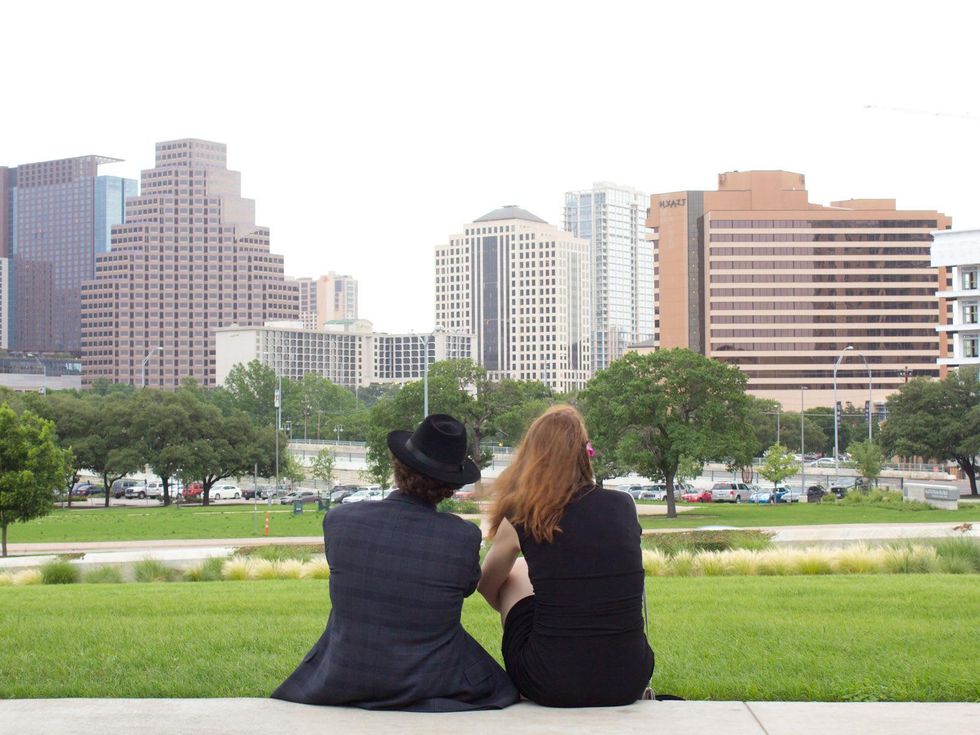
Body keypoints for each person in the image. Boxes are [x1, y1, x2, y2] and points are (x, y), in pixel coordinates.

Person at [272, 414, 519, 711]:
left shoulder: (340, 520)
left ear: (398, 466)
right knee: (500, 685)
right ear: (450, 486)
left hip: (344, 671)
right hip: (432, 677)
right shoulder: (461, 537)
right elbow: (467, 587)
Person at [478, 404, 654, 707]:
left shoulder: (525, 515)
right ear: (585, 454)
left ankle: (548, 636)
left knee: (517, 570)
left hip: (551, 681)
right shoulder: (623, 505)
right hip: (628, 678)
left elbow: (486, 584)